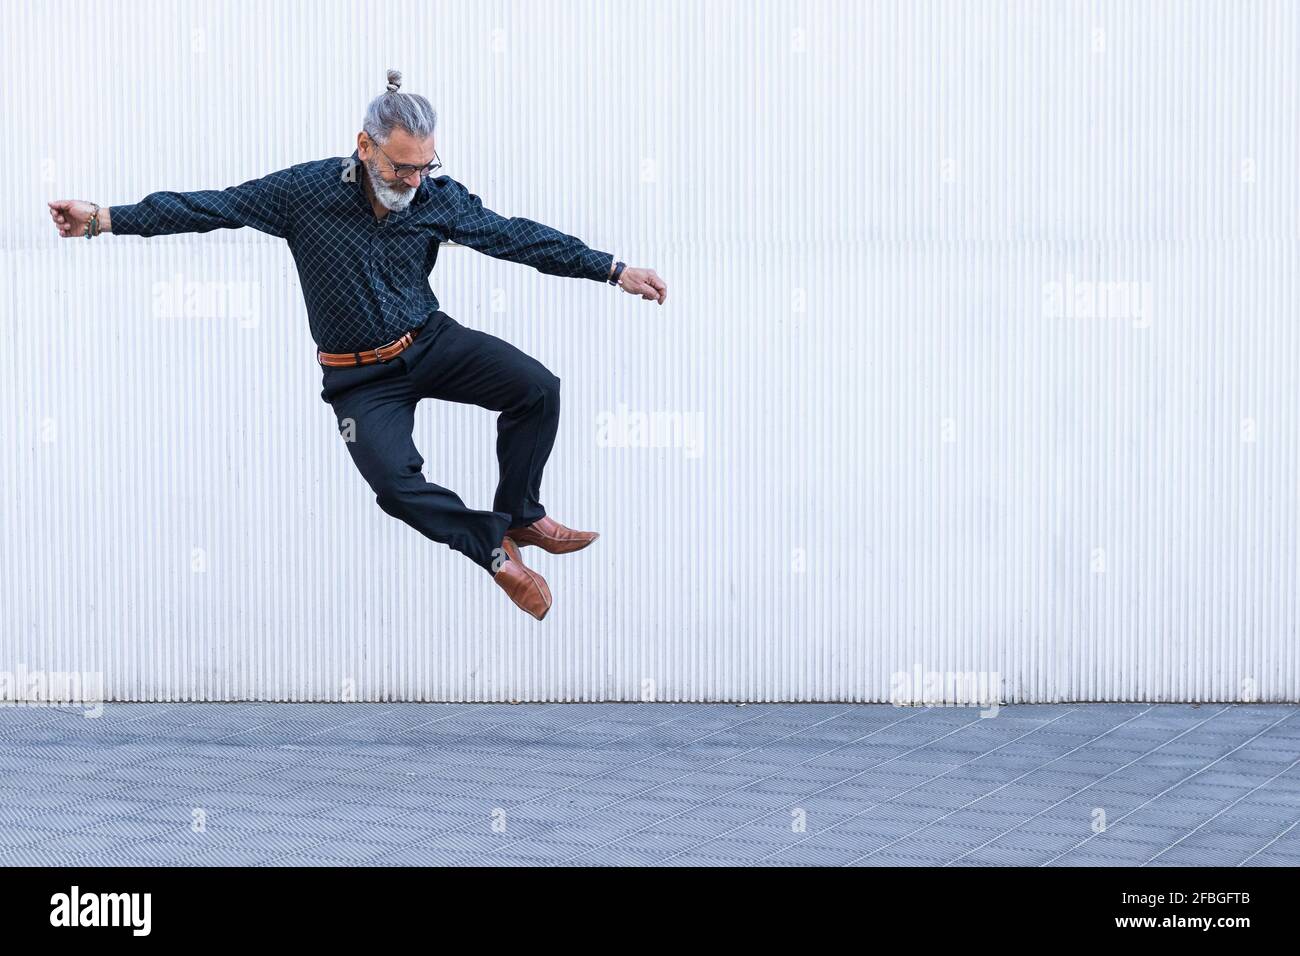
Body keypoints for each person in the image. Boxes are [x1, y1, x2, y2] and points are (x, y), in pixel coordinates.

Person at [47, 69, 668, 621]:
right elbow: (210, 206)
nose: (414, 180)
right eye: (402, 167)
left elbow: (513, 237)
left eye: (426, 166)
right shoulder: (304, 193)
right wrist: (102, 218)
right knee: (397, 489)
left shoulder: (435, 197)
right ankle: (491, 546)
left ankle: (522, 512)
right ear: (365, 146)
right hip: (359, 379)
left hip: (428, 340)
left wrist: (610, 269)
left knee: (537, 388)